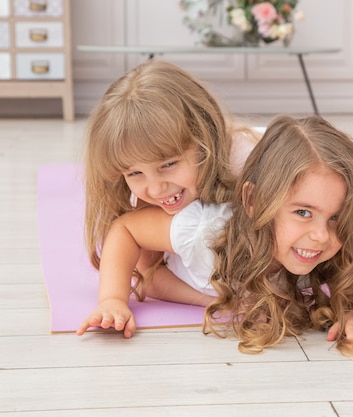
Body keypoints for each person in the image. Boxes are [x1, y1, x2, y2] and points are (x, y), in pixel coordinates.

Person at [76, 59, 258, 338]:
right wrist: (112, 300)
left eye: (168, 164)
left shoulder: (246, 163)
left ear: (203, 143)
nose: (156, 188)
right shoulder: (150, 198)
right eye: (134, 172)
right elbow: (149, 277)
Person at [204, 115, 353, 355]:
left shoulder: (334, 243)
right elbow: (150, 264)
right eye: (303, 212)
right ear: (253, 201)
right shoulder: (204, 234)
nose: (322, 236)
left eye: (336, 216)